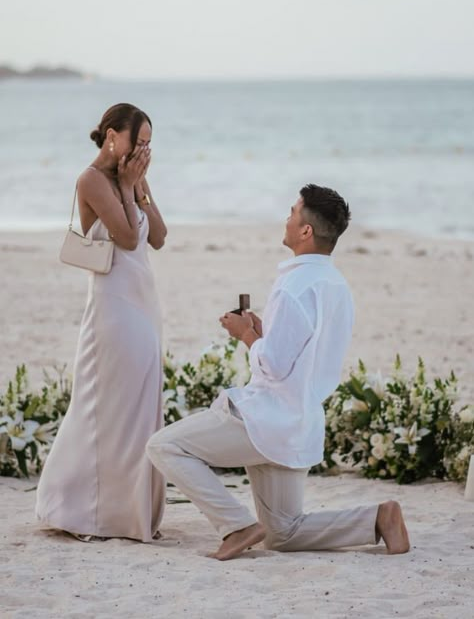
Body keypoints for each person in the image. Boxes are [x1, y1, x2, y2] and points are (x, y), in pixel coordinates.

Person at [146, 184, 410, 560]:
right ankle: (378, 519)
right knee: (283, 535)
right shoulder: (336, 285)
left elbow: (273, 365)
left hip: (266, 419)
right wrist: (261, 332)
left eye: (292, 212)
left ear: (306, 231)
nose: (286, 219)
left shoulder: (293, 287)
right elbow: (303, 353)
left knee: (164, 445)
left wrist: (246, 336)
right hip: (298, 421)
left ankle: (235, 525)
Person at [36, 103, 167, 542]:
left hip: (143, 299)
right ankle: (87, 508)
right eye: (139, 141)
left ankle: (131, 512)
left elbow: (160, 237)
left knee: (143, 403)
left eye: (149, 143)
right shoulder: (91, 180)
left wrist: (140, 185)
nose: (144, 150)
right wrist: (129, 188)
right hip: (113, 305)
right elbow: (128, 239)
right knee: (109, 404)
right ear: (113, 135)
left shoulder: (133, 179)